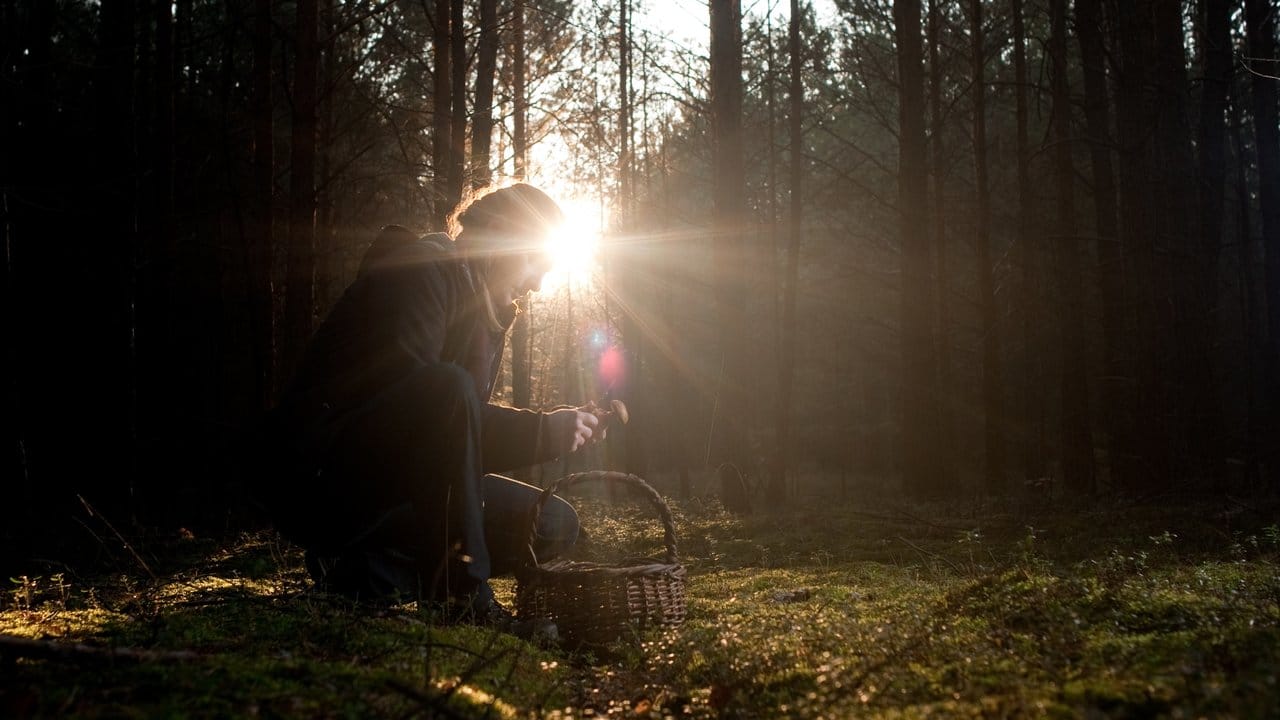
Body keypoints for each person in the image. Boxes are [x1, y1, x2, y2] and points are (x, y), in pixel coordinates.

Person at [256, 183, 604, 624]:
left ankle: (372, 571)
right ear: (499, 236)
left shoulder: (481, 307)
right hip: (323, 479)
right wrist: (540, 430)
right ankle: (460, 596)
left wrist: (552, 432)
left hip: (401, 483)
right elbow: (424, 405)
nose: (537, 283)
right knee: (448, 385)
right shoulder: (422, 270)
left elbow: (458, 440)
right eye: (537, 262)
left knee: (554, 522)